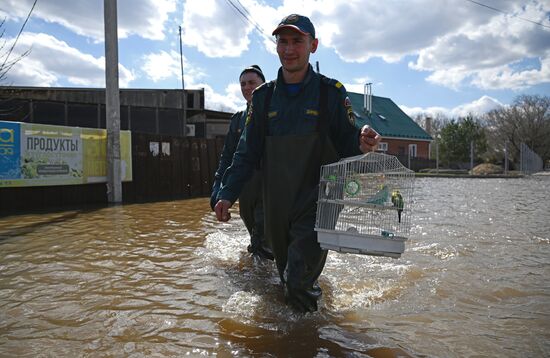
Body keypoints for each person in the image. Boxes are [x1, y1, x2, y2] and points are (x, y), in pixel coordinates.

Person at [214, 14, 381, 312]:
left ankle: (308, 340)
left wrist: (362, 141)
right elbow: (246, 152)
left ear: (313, 46)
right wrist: (227, 193)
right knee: (284, 276)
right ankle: (306, 324)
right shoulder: (264, 98)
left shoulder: (330, 93)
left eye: (297, 41)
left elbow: (347, 141)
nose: (289, 49)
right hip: (278, 202)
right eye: (283, 41)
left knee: (296, 280)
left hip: (320, 199)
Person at [210, 65, 273, 260]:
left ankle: (263, 284)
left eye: (252, 83)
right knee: (253, 229)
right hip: (245, 185)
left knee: (262, 238)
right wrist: (219, 193)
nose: (247, 87)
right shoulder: (238, 120)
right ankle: (260, 274)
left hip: (271, 184)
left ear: (263, 84)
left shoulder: (274, 114)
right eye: (243, 84)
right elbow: (227, 157)